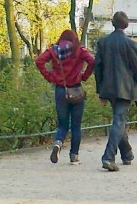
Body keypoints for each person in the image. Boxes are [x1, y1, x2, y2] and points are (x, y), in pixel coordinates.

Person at [94, 11, 137, 171]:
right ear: (126, 24)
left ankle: (127, 153)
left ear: (113, 23)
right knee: (119, 121)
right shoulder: (130, 44)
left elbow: (98, 68)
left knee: (119, 120)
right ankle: (108, 157)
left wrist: (100, 91)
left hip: (108, 88)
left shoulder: (103, 43)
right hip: (126, 89)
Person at [35, 30, 95, 165]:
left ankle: (58, 143)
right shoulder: (79, 50)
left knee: (63, 125)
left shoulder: (53, 50)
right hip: (76, 90)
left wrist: (50, 77)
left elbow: (39, 61)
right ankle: (74, 156)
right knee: (76, 126)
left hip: (61, 90)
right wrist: (84, 76)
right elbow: (92, 61)